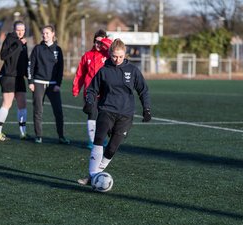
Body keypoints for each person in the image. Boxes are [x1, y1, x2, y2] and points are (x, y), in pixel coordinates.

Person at [78, 38, 151, 185]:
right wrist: (90, 102)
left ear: (125, 55)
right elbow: (92, 90)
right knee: (98, 141)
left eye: (121, 57)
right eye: (114, 56)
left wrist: (146, 109)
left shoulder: (132, 70)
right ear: (110, 54)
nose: (117, 59)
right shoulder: (104, 70)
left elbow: (143, 90)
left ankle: (95, 174)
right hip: (106, 110)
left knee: (111, 148)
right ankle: (93, 175)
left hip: (125, 115)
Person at [28, 24, 70, 144]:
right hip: (38, 83)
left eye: (47, 33)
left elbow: (60, 68)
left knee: (58, 111)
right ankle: (38, 136)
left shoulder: (58, 50)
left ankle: (61, 136)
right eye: (43, 33)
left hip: (53, 85)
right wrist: (31, 82)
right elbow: (31, 65)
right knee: (38, 110)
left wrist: (58, 84)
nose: (45, 35)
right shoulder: (37, 48)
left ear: (53, 34)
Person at [72, 29, 112, 149]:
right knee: (92, 115)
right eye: (96, 42)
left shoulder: (109, 56)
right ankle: (92, 141)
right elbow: (80, 74)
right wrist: (76, 89)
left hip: (106, 92)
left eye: (101, 42)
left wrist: (106, 43)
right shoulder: (87, 56)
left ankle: (102, 138)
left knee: (104, 117)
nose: (98, 44)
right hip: (90, 92)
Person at [0, 20, 29, 141]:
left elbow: (24, 60)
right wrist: (18, 43)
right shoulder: (10, 39)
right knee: (7, 104)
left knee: (22, 104)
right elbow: (3, 56)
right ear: (14, 30)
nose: (20, 32)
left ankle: (23, 132)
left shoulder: (23, 42)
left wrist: (29, 77)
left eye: (22, 30)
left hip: (19, 77)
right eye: (18, 30)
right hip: (8, 75)